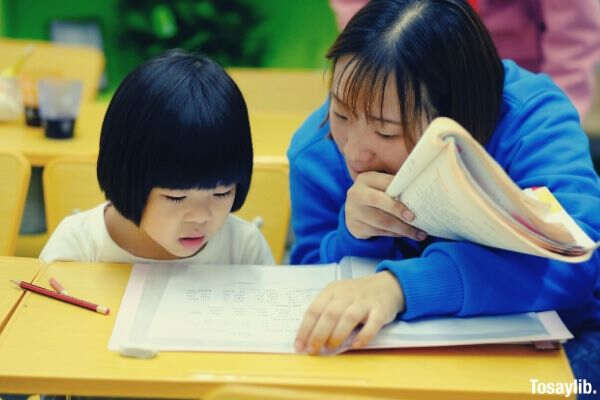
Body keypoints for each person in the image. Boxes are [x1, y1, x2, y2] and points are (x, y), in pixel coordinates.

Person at [287, 0, 600, 390]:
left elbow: (574, 263)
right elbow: (306, 284)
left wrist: (400, 287)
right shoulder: (315, 151)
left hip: (553, 348)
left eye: (386, 132)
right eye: (341, 114)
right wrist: (356, 238)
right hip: (387, 360)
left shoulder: (531, 118)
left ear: (458, 116)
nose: (355, 152)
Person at [40, 50, 274, 266]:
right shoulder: (79, 246)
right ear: (126, 177)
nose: (201, 217)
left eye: (222, 193)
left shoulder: (244, 248)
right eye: (176, 197)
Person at [329, 0, 600, 120]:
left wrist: (555, 114)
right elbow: (360, 13)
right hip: (406, 78)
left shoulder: (528, 107)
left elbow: (575, 30)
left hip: (515, 86)